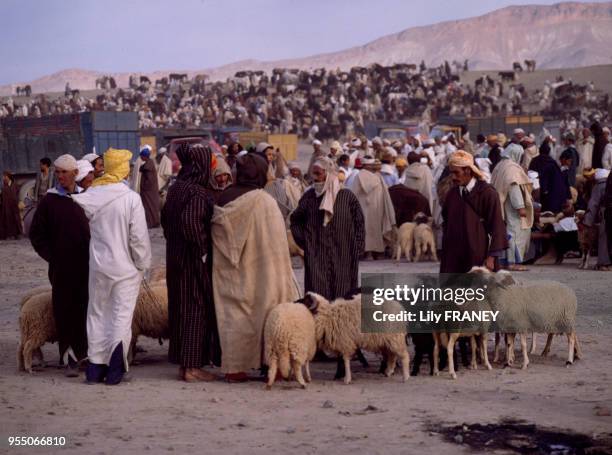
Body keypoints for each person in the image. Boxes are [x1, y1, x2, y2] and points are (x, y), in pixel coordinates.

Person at [212, 153, 299, 381]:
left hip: (230, 271)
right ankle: (275, 366)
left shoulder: (223, 198)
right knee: (269, 314)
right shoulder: (265, 202)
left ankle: (234, 369)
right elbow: (277, 246)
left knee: (234, 316)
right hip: (265, 273)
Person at [72, 148, 151, 385]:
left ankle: (95, 368)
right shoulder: (131, 199)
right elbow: (137, 239)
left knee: (97, 314)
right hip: (125, 268)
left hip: (98, 267)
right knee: (120, 316)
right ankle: (115, 371)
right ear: (122, 168)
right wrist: (142, 264)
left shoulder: (92, 195)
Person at [161, 143, 221, 382]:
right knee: (196, 310)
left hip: (174, 257)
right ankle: (192, 368)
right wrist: (203, 250)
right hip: (191, 261)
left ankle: (184, 363)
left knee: (181, 309)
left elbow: (166, 220)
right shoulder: (197, 192)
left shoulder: (177, 188)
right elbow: (191, 223)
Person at [30, 154, 90, 377]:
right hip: (61, 268)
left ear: (75, 173)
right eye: (58, 172)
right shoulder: (49, 200)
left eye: (64, 172)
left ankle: (83, 353)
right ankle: (68, 356)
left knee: (85, 307)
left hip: (86, 265)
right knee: (64, 309)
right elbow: (36, 234)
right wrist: (52, 256)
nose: (60, 176)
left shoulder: (86, 197)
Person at [290, 157, 365, 300]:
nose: (315, 178)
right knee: (318, 301)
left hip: (344, 255)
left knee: (343, 299)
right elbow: (295, 220)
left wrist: (357, 248)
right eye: (313, 174)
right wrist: (305, 241)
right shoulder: (309, 197)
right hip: (317, 256)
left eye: (318, 174)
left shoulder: (347, 196)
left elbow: (359, 223)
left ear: (329, 173)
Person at [440, 151, 507, 273]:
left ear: (468, 171)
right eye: (452, 173)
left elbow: (497, 226)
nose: (453, 177)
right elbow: (446, 222)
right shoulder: (452, 194)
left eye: (456, 173)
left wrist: (492, 257)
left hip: (477, 256)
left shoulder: (487, 193)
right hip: (453, 258)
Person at [346, 156, 396, 259]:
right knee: (375, 229)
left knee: (366, 229)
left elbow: (353, 194)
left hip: (365, 209)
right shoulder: (378, 177)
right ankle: (377, 253)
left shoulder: (359, 176)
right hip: (377, 209)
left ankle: (369, 253)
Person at [491, 156, 534, 271]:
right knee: (516, 234)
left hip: (503, 205)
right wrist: (520, 207)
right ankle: (512, 263)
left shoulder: (500, 166)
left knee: (507, 233)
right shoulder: (511, 168)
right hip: (513, 209)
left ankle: (504, 262)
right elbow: (513, 187)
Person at [529, 140, 570, 213]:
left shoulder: (534, 161)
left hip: (535, 191)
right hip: (550, 194)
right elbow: (558, 181)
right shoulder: (551, 163)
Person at [584, 168, 611, 270]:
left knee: (604, 236)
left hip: (607, 213)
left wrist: (588, 221)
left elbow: (593, 204)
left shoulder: (598, 186)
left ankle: (604, 263)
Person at [138, 147, 161, 228]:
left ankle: (152, 223)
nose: (140, 158)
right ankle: (154, 222)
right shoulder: (148, 163)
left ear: (144, 156)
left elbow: (149, 179)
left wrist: (144, 187)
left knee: (149, 206)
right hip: (150, 190)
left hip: (148, 191)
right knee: (151, 206)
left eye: (141, 156)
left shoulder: (148, 165)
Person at [0, 171, 23, 240]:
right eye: (4, 176)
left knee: (16, 219)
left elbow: (17, 194)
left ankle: (17, 234)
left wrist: (18, 201)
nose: (4, 178)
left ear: (9, 177)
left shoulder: (14, 185)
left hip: (13, 205)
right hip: (6, 206)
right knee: (7, 219)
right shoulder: (3, 186)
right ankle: (8, 235)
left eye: (5, 176)